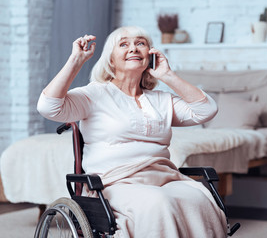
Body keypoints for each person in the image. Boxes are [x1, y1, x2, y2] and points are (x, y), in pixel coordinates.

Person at [37, 26, 227, 238]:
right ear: (111, 60)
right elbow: (48, 107)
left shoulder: (161, 100)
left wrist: (168, 75)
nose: (134, 49)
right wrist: (76, 61)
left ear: (150, 55)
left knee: (198, 200)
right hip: (114, 182)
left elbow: (207, 110)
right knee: (158, 203)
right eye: (124, 44)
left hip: (164, 178)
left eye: (141, 43)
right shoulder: (95, 93)